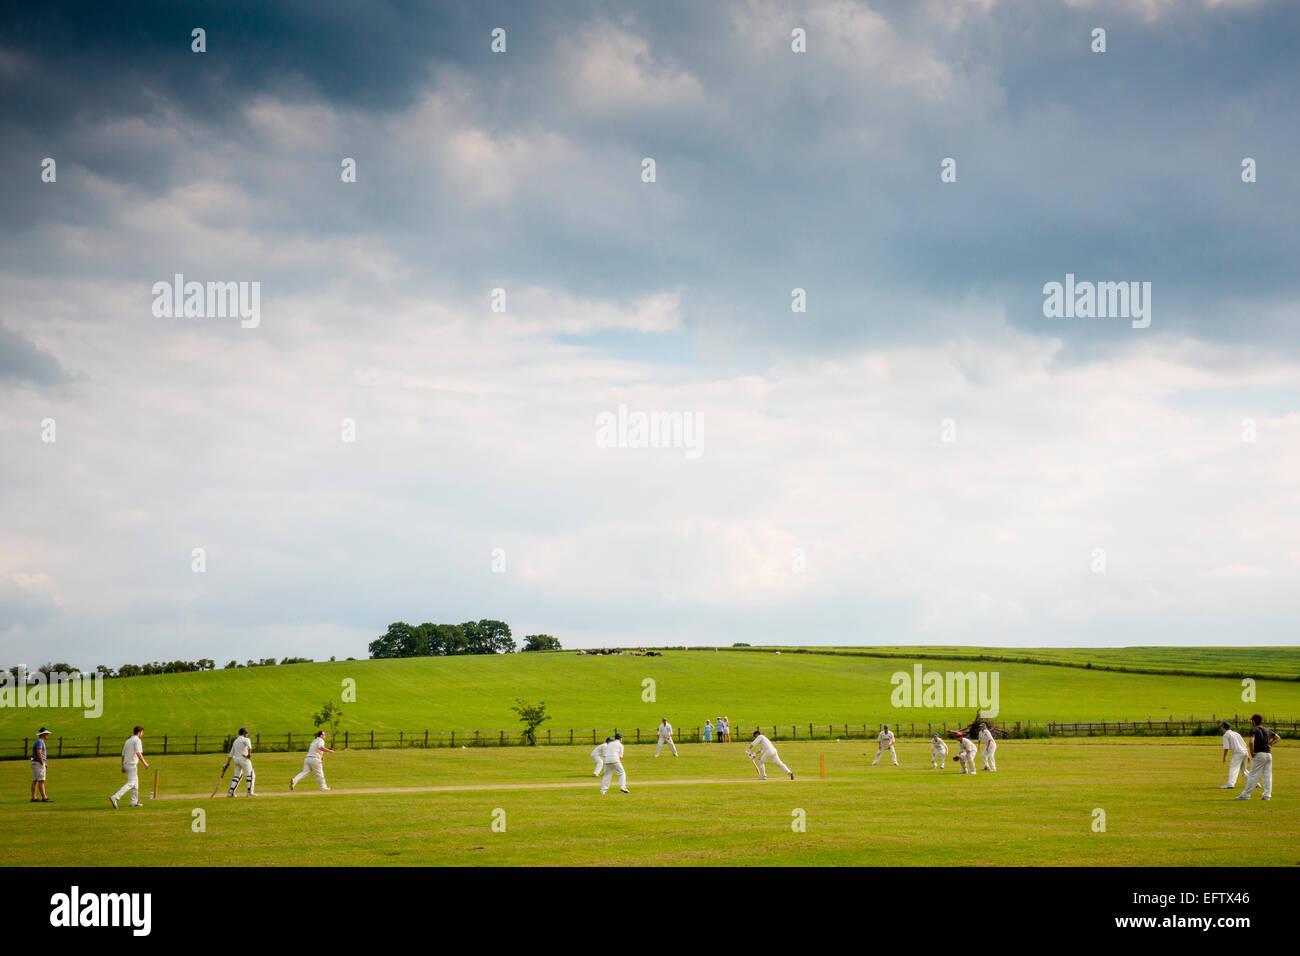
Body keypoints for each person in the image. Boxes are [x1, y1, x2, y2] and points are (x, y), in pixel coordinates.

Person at [1235, 714, 1280, 801]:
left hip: (1259, 755)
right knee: (1267, 776)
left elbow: (1251, 741)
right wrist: (1270, 744)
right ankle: (1267, 795)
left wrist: (1252, 752)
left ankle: (1245, 795)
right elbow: (1277, 737)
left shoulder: (1254, 730)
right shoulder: (1267, 730)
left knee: (1253, 775)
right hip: (1268, 755)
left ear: (1254, 721)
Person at [110, 726, 149, 808]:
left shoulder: (128, 740)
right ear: (139, 732)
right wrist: (145, 763)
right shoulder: (137, 740)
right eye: (142, 732)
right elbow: (138, 753)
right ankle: (115, 797)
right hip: (131, 765)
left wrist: (123, 766)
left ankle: (134, 802)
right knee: (131, 783)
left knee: (135, 784)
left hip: (126, 764)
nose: (142, 734)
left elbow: (123, 754)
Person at [225, 728, 257, 797]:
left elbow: (231, 754)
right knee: (250, 774)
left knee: (237, 776)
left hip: (236, 760)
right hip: (244, 758)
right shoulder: (246, 739)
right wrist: (249, 755)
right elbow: (249, 747)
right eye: (247, 733)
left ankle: (230, 793)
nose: (247, 735)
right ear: (244, 733)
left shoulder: (235, 741)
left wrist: (228, 763)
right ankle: (250, 792)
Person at [1219, 722, 1249, 789]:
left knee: (1233, 768)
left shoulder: (1226, 735)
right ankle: (1255, 783)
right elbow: (1244, 745)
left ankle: (1230, 784)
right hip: (1245, 752)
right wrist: (1248, 755)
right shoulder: (1236, 733)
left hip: (1238, 753)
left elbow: (1226, 747)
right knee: (1244, 770)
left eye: (1222, 728)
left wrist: (1224, 757)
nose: (1221, 729)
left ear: (1223, 728)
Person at [31, 727, 51, 803]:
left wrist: (44, 763)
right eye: (47, 734)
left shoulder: (38, 741)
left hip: (35, 762)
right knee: (41, 781)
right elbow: (39, 752)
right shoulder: (40, 741)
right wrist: (42, 762)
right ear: (43, 734)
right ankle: (44, 797)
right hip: (38, 763)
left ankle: (34, 798)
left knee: (35, 780)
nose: (47, 736)